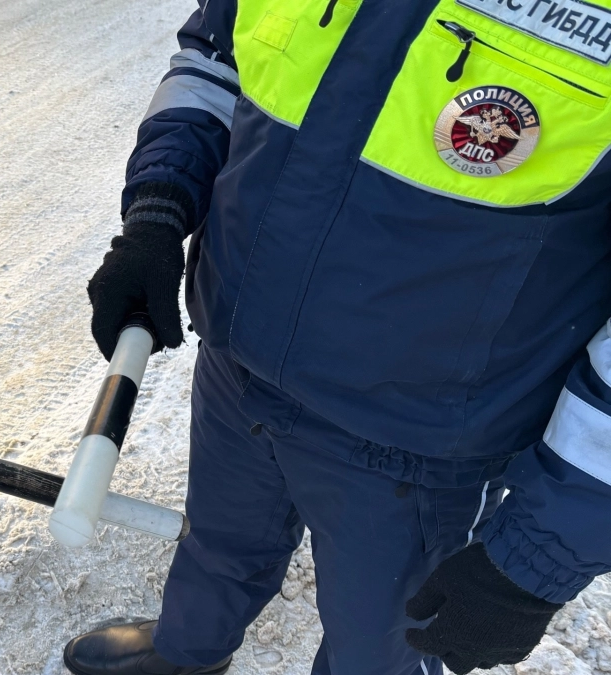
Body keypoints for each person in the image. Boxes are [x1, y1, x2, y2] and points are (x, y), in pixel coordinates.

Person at [66, 1, 611, 674]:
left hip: (417, 441)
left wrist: (540, 553)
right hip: (239, 360)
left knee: (380, 648)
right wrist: (157, 209)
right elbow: (215, 60)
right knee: (218, 541)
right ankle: (187, 650)